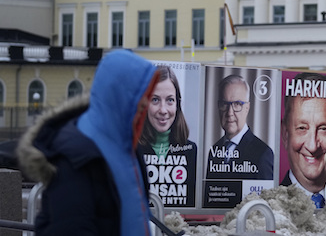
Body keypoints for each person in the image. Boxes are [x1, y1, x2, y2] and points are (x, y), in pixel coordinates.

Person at [17, 50, 158, 236]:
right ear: (116, 93)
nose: (146, 102)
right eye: (140, 93)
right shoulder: (75, 158)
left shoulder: (129, 149)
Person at [136, 65, 197, 206]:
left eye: (170, 100)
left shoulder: (191, 150)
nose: (163, 110)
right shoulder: (131, 149)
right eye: (155, 100)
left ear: (177, 104)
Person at [280, 71, 326, 208]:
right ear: (285, 134)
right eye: (302, 128)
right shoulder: (270, 205)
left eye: (323, 129)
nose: (313, 146)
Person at [207, 74, 273, 180]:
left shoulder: (263, 153)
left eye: (237, 104)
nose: (230, 113)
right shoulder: (214, 150)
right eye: (225, 104)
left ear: (247, 107)